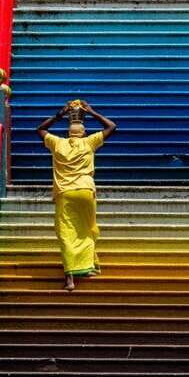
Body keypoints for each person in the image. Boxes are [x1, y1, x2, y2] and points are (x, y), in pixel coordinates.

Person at [36, 100, 117, 291]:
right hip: (86, 191)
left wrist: (59, 115)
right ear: (83, 131)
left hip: (65, 193)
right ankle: (89, 267)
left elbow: (40, 129)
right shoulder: (89, 142)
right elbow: (112, 126)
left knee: (67, 233)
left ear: (68, 132)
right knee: (87, 229)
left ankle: (70, 279)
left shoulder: (58, 143)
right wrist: (92, 111)